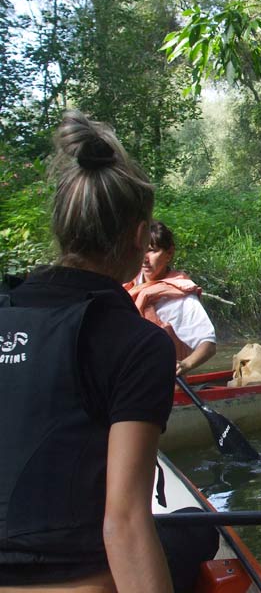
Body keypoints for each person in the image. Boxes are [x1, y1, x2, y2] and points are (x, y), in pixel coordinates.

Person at [0, 111, 178, 590]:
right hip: (77, 575)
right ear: (139, 236)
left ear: (61, 228)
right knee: (193, 541)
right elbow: (122, 523)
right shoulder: (140, 343)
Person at [125, 221, 216, 375]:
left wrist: (186, 364)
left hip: (162, 386)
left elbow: (208, 344)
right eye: (142, 251)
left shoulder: (180, 298)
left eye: (152, 251)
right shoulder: (128, 285)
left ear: (169, 253)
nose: (145, 259)